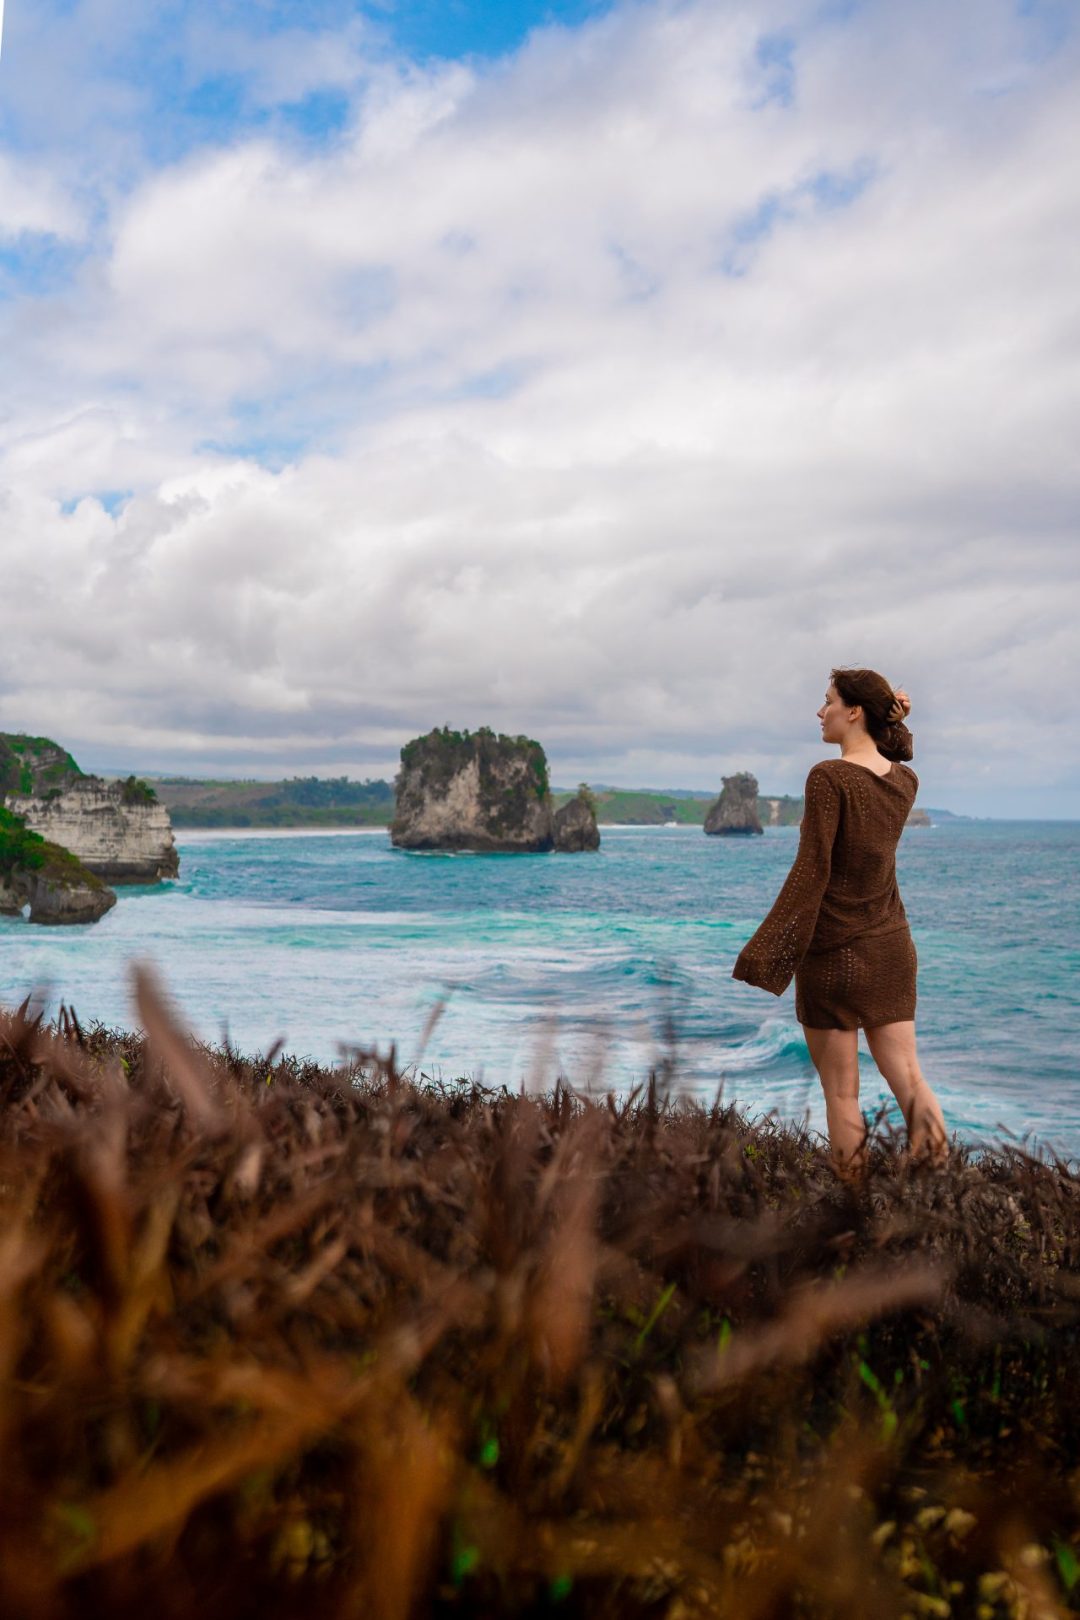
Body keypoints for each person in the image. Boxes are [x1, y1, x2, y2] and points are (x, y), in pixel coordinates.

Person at [731, 667, 949, 1182]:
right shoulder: (905, 783)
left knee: (842, 1091)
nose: (819, 711)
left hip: (833, 955)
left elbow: (812, 871)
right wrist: (893, 720)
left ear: (853, 712)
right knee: (912, 1080)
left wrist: (766, 951)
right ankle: (944, 1188)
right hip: (892, 949)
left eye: (827, 701)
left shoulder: (828, 777)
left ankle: (853, 1203)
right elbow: (897, 753)